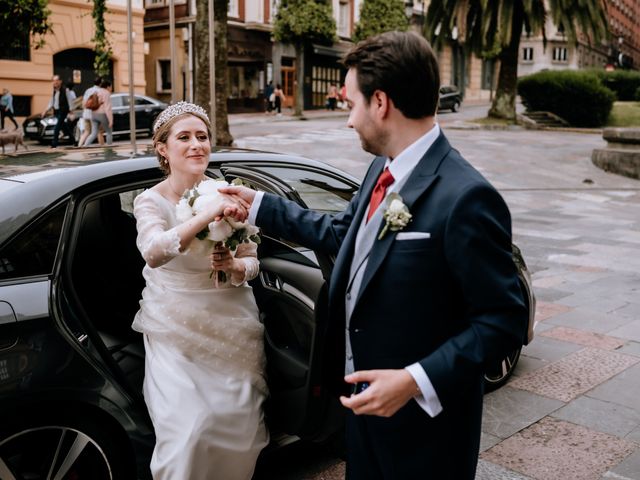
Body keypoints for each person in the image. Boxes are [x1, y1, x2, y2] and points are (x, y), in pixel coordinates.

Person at [221, 31, 528, 479]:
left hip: (425, 435)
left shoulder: (466, 197)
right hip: (361, 419)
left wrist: (415, 380)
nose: (349, 120)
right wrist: (261, 205)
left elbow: (504, 321)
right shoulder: (381, 167)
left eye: (351, 104)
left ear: (380, 102)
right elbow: (346, 232)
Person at [132, 101, 268, 480]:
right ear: (163, 148)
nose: (197, 145)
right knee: (191, 430)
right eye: (185, 137)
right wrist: (207, 215)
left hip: (231, 320)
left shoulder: (231, 191)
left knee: (239, 425)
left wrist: (235, 266)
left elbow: (253, 260)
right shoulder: (150, 200)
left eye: (203, 137)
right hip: (173, 325)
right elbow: (154, 252)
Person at [42, 75, 75, 148]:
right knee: (64, 127)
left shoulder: (65, 90)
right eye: (53, 81)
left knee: (57, 127)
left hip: (63, 111)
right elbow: (51, 101)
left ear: (60, 81)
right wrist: (45, 110)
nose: (55, 82)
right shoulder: (54, 91)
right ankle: (73, 140)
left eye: (56, 80)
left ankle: (54, 144)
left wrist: (71, 111)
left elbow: (70, 101)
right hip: (56, 111)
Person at [82, 78, 112, 146]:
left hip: (90, 114)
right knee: (106, 132)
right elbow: (107, 108)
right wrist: (110, 120)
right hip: (100, 114)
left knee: (92, 133)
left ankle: (84, 146)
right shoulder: (103, 92)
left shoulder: (88, 90)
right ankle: (108, 147)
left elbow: (84, 103)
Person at [78, 76, 103, 147]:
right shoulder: (100, 91)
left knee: (86, 131)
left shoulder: (88, 90)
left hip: (86, 114)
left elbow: (83, 103)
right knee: (98, 132)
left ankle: (79, 146)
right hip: (94, 115)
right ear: (100, 83)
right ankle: (103, 147)